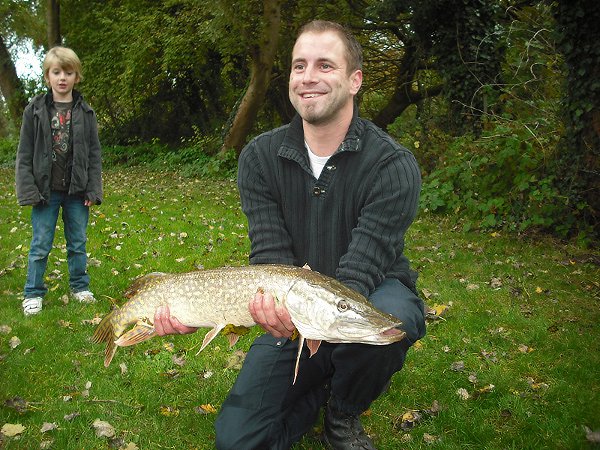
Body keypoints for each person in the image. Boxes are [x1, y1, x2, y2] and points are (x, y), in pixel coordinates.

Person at [154, 20, 425, 449]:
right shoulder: (259, 158)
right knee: (237, 440)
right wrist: (209, 312)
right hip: (289, 302)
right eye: (299, 66)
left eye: (324, 65)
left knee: (396, 317)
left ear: (354, 80)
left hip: (367, 290)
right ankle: (317, 390)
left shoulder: (392, 165)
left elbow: (363, 265)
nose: (308, 78)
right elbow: (270, 254)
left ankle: (344, 412)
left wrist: (324, 317)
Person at [16, 46, 103, 316]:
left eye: (68, 72)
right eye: (57, 72)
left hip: (77, 191)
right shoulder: (35, 110)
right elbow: (24, 153)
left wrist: (93, 189)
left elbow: (94, 154)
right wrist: (28, 190)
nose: (62, 77)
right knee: (41, 242)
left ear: (76, 77)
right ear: (47, 77)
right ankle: (33, 292)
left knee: (77, 242)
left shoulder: (86, 113)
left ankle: (79, 286)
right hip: (45, 191)